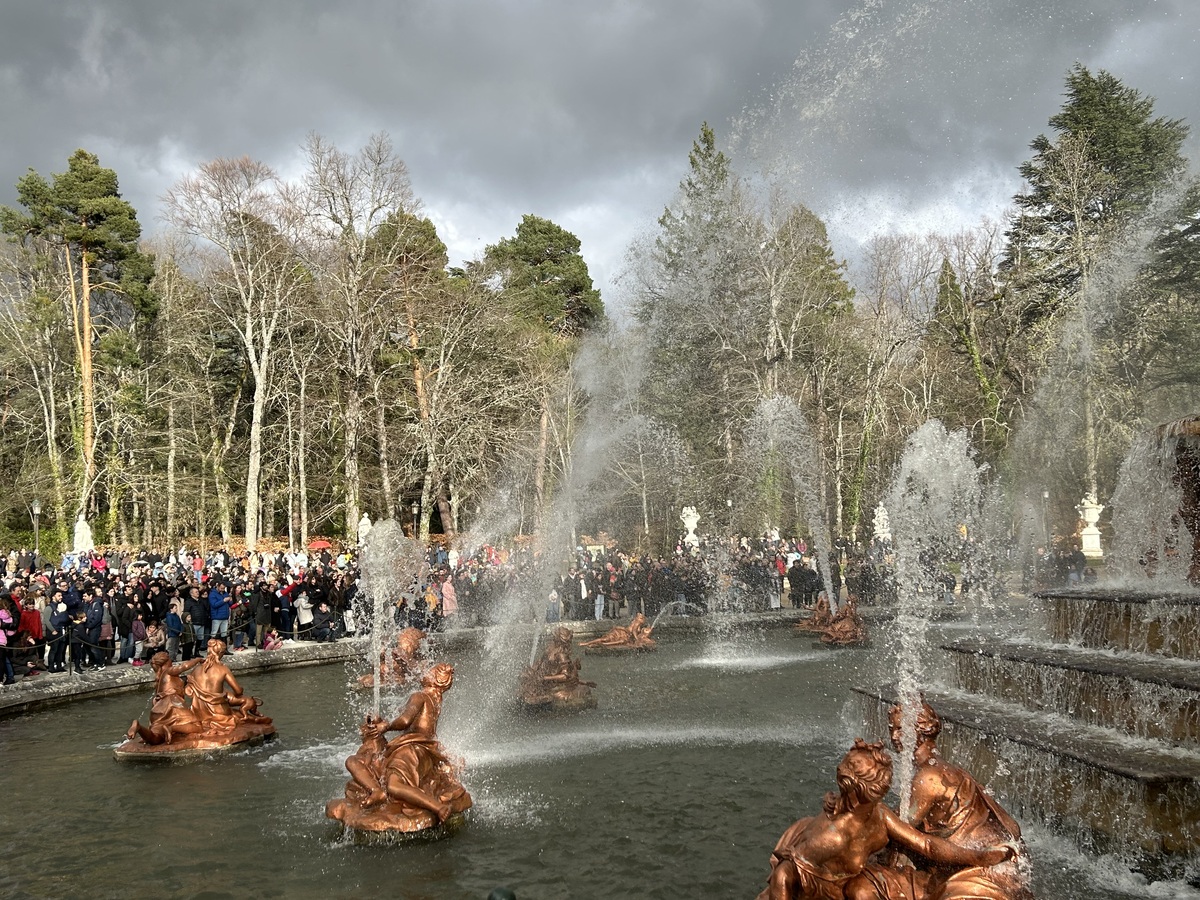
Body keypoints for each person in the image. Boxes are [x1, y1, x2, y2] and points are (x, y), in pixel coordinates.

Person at [758, 739, 1013, 900]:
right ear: (861, 789)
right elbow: (784, 874)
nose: (886, 784)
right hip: (821, 888)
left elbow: (926, 845)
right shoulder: (832, 836)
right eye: (880, 782)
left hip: (849, 885)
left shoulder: (880, 814)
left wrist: (978, 857)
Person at [849, 701, 1033, 900]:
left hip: (979, 872)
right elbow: (1013, 828)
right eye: (892, 729)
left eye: (901, 730)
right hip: (991, 866)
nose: (894, 736)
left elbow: (898, 830)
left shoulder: (929, 777)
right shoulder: (953, 770)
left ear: (923, 729)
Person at [125, 653, 204, 745]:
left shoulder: (159, 680)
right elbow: (184, 666)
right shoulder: (169, 671)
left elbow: (155, 701)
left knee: (156, 739)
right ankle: (171, 728)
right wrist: (198, 660)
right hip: (173, 705)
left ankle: (139, 727)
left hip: (159, 709)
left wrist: (150, 726)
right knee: (198, 727)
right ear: (167, 661)